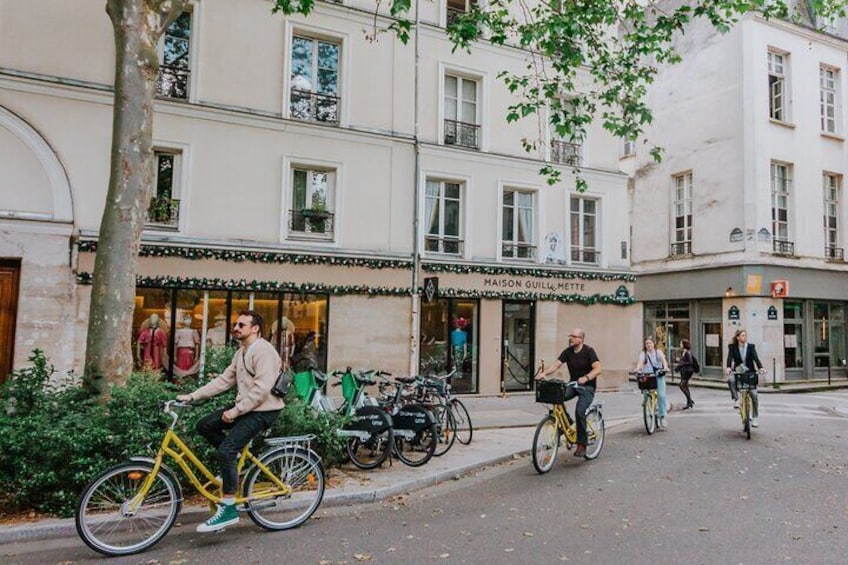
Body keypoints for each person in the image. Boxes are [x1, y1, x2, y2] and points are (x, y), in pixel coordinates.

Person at [176, 310, 283, 533]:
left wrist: (236, 411)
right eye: (235, 324)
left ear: (255, 329)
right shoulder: (241, 352)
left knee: (224, 451)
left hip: (264, 410)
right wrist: (193, 395)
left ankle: (229, 509)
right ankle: (232, 463)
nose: (236, 328)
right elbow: (224, 381)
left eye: (241, 325)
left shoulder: (263, 351)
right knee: (204, 425)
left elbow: (262, 390)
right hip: (247, 407)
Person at [539, 328, 601, 458]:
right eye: (570, 336)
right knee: (557, 397)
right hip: (573, 384)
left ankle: (582, 444)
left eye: (573, 336)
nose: (570, 338)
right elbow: (556, 365)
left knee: (580, 411)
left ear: (581, 339)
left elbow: (597, 369)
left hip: (587, 387)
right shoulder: (568, 352)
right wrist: (544, 374)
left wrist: (586, 378)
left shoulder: (589, 351)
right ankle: (566, 424)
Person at [725, 328, 764, 427]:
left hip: (750, 373)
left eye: (745, 335)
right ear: (738, 337)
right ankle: (736, 399)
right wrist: (728, 367)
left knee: (754, 395)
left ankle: (755, 417)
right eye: (742, 335)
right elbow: (729, 358)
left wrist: (761, 368)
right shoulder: (732, 347)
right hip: (738, 372)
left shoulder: (750, 347)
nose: (744, 337)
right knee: (730, 380)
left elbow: (756, 358)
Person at [635, 337, 670, 428]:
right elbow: (640, 362)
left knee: (661, 395)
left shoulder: (658, 353)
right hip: (647, 375)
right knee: (646, 393)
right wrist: (638, 369)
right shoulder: (643, 354)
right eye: (646, 343)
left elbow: (663, 361)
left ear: (653, 344)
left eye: (649, 343)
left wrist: (665, 367)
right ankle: (648, 405)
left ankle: (662, 416)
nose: (648, 345)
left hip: (658, 375)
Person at [674, 339, 695, 409]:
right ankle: (689, 402)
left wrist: (681, 362)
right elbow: (685, 361)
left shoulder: (687, 352)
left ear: (684, 345)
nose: (680, 345)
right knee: (685, 386)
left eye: (681, 344)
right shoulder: (684, 352)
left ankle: (689, 401)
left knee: (681, 385)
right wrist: (680, 360)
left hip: (687, 371)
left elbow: (690, 362)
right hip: (685, 371)